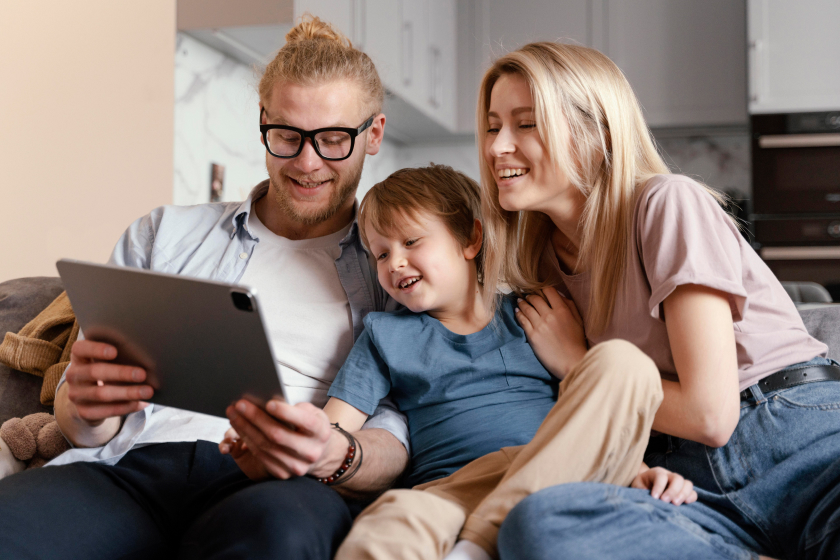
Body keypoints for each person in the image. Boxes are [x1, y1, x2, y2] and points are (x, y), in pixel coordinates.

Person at [0, 17, 412, 559]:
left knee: (280, 538)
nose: (308, 162)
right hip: (131, 469)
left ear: (374, 133)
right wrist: (83, 407)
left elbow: (400, 435)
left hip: (281, 487)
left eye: (333, 139)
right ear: (263, 121)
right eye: (287, 135)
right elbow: (83, 428)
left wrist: (335, 453)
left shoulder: (398, 269)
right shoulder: (162, 234)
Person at [472, 42, 840, 560]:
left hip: (794, 436)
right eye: (492, 126)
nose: (496, 148)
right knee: (535, 526)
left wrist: (578, 364)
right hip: (686, 486)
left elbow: (711, 414)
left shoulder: (667, 203)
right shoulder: (535, 268)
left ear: (597, 132)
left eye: (526, 123)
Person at [286, 164, 694, 560]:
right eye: (380, 254)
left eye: (411, 242)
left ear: (471, 239)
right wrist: (296, 437)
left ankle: (478, 543)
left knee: (624, 362)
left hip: (551, 471)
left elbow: (594, 411)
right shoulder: (383, 334)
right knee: (391, 523)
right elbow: (334, 428)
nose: (394, 263)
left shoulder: (538, 314)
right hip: (452, 487)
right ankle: (481, 543)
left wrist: (636, 469)